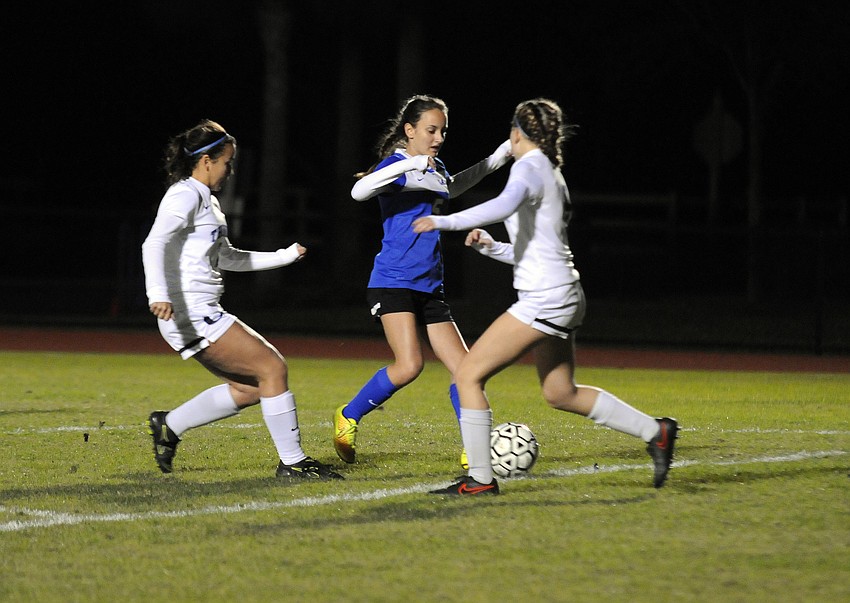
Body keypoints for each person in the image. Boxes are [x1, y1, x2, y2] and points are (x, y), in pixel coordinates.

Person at [413, 98, 678, 495]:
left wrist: (442, 220)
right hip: (564, 293)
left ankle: (480, 481)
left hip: (546, 299)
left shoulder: (530, 167)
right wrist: (493, 249)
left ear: (517, 132)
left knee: (468, 374)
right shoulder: (548, 171)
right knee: (560, 393)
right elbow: (538, 249)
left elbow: (503, 204)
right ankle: (656, 432)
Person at [142, 119, 342, 480]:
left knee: (251, 388)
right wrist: (157, 293)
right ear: (206, 162)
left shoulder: (208, 203)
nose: (229, 170)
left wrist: (282, 256)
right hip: (190, 312)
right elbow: (153, 242)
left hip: (200, 311)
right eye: (226, 162)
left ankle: (169, 425)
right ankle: (293, 463)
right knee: (273, 369)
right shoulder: (185, 194)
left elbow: (226, 257)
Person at [333, 94, 512, 466]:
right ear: (409, 130)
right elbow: (358, 191)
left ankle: (475, 450)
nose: (438, 137)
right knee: (409, 365)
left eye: (443, 130)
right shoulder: (397, 165)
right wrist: (410, 163)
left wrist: (498, 158)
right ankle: (348, 415)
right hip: (393, 281)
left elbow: (454, 185)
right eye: (431, 130)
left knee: (467, 370)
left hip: (430, 285)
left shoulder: (433, 168)